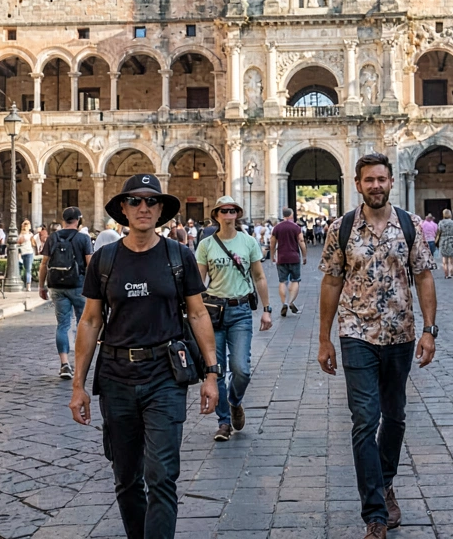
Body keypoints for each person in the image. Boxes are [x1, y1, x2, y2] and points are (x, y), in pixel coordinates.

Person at [67, 173, 219, 539]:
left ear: (161, 209)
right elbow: (89, 321)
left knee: (162, 475)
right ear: (123, 208)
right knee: (126, 477)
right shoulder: (104, 260)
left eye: (151, 201)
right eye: (134, 201)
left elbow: (197, 314)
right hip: (116, 378)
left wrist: (212, 374)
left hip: (165, 376)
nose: (143, 207)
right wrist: (78, 385)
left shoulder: (177, 255)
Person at [319, 153, 438, 538]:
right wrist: (325, 338)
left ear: (390, 182)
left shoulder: (410, 225)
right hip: (356, 335)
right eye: (369, 179)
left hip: (400, 334)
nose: (376, 185)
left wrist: (429, 329)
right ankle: (374, 512)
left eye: (381, 179)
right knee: (364, 420)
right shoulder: (341, 228)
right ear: (357, 184)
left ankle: (385, 480)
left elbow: (423, 275)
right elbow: (332, 281)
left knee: (396, 416)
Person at [196, 196, 273, 441]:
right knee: (215, 370)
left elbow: (259, 276)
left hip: (240, 311)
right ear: (216, 215)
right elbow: (198, 283)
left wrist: (267, 308)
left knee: (241, 369)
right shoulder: (206, 244)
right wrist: (194, 313)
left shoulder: (248, 242)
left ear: (237, 214)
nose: (228, 215)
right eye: (224, 211)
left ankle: (234, 401)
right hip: (213, 312)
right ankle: (224, 422)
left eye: (232, 211)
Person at [40, 206, 94, 379]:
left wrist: (41, 285)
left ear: (63, 220)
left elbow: (44, 264)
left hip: (56, 286)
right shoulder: (83, 238)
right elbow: (90, 264)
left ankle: (64, 364)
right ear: (78, 220)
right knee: (82, 323)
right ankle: (79, 364)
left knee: (63, 325)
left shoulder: (52, 238)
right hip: (79, 285)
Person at [270, 208, 307, 317]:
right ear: (292, 215)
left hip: (281, 257)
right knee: (295, 280)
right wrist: (304, 255)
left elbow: (272, 243)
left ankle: (284, 303)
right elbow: (301, 241)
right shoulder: (296, 227)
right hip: (294, 257)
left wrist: (272, 256)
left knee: (282, 281)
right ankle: (290, 302)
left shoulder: (277, 227)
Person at [437, 209, 453, 279]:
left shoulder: (441, 223)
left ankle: (446, 273)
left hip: (444, 241)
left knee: (444, 259)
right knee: (451, 259)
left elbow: (438, 232)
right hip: (452, 241)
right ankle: (451, 272)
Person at [16, 220, 37, 288]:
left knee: (21, 269)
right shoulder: (30, 235)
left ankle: (22, 283)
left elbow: (18, 244)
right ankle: (28, 286)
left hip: (22, 253)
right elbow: (33, 244)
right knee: (28, 270)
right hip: (29, 253)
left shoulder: (20, 235)